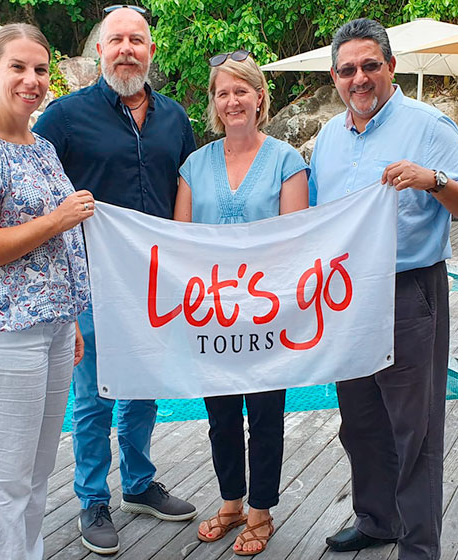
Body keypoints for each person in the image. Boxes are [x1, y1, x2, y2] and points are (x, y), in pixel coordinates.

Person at [307, 18, 458, 560]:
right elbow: (318, 217)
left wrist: (433, 180)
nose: (358, 79)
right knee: (360, 421)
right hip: (346, 295)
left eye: (369, 66)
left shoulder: (429, 125)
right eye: (346, 70)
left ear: (390, 66)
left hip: (408, 290)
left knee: (416, 430)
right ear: (335, 78)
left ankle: (419, 546)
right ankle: (377, 519)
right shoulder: (328, 138)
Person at [32, 5, 197, 555]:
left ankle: (141, 483)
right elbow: (37, 185)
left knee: (144, 385)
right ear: (99, 50)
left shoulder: (175, 119)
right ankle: (91, 498)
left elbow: (186, 194)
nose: (127, 49)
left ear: (151, 51)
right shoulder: (64, 116)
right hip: (91, 280)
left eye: (138, 40)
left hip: (155, 281)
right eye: (116, 40)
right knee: (94, 395)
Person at [0, 23, 95, 560]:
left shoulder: (42, 146)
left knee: (35, 473)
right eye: (18, 68)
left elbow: (57, 252)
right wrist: (55, 219)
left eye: (41, 70)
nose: (32, 80)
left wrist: (69, 317)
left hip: (50, 327)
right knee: (2, 473)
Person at [172, 49, 307, 556]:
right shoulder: (193, 165)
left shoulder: (286, 161)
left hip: (268, 313)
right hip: (211, 314)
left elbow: (294, 239)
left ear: (259, 97)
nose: (232, 101)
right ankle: (230, 503)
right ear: (214, 102)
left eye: (241, 91)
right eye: (222, 92)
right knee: (221, 416)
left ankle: (260, 512)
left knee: (266, 416)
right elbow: (181, 240)